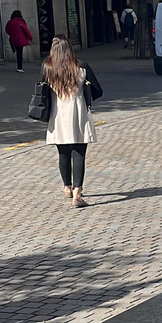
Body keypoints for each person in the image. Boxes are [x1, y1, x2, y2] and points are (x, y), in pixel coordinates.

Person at [42, 35, 103, 208]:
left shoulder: (48, 68)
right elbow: (98, 90)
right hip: (78, 112)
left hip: (57, 113)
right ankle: (77, 193)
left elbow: (42, 91)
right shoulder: (81, 66)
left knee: (63, 153)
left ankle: (67, 187)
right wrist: (84, 94)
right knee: (79, 153)